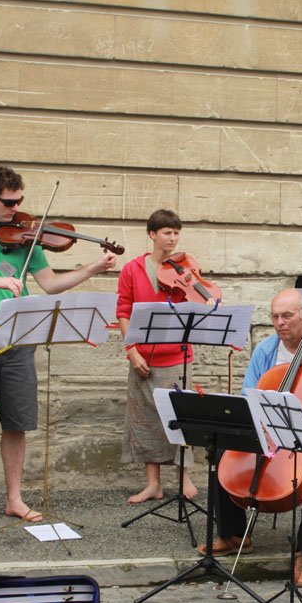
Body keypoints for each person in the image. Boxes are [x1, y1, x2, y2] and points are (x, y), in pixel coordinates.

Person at [0, 165, 116, 524]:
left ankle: (14, 499)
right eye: (8, 202)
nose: (16, 208)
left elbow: (50, 284)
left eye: (19, 200)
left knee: (16, 423)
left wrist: (92, 269)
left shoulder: (27, 237)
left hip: (19, 340)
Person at [199, 289, 302, 588]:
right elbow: (249, 393)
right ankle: (234, 535)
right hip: (269, 430)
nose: (280, 323)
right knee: (222, 452)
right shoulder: (266, 350)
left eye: (286, 316)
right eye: (274, 317)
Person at [116, 209, 197, 504]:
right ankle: (153, 484)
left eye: (176, 233)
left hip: (176, 355)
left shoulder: (184, 268)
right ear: (152, 234)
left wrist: (196, 288)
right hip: (143, 356)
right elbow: (123, 311)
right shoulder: (132, 269)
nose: (173, 238)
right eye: (167, 233)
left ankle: (183, 476)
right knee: (145, 419)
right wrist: (131, 350)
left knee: (181, 416)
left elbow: (197, 303)